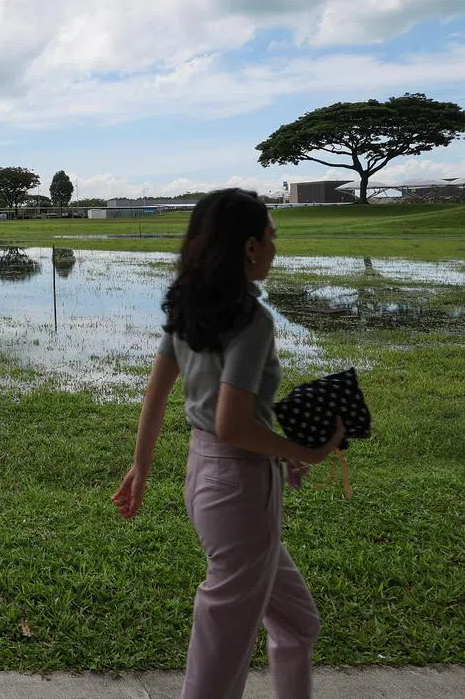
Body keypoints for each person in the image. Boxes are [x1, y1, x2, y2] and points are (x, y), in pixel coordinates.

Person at [111, 188, 345, 699]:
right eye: (271, 237)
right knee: (221, 649)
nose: (275, 248)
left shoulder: (187, 308)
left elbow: (157, 394)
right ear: (248, 248)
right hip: (241, 487)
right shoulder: (250, 319)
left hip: (204, 478)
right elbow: (232, 424)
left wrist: (141, 467)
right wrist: (305, 451)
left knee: (298, 622)